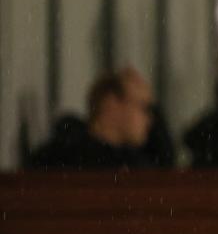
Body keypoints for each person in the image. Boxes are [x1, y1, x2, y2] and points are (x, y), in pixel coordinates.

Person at [28, 67, 156, 169]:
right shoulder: (60, 159)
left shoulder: (136, 164)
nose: (149, 120)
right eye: (143, 107)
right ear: (112, 103)